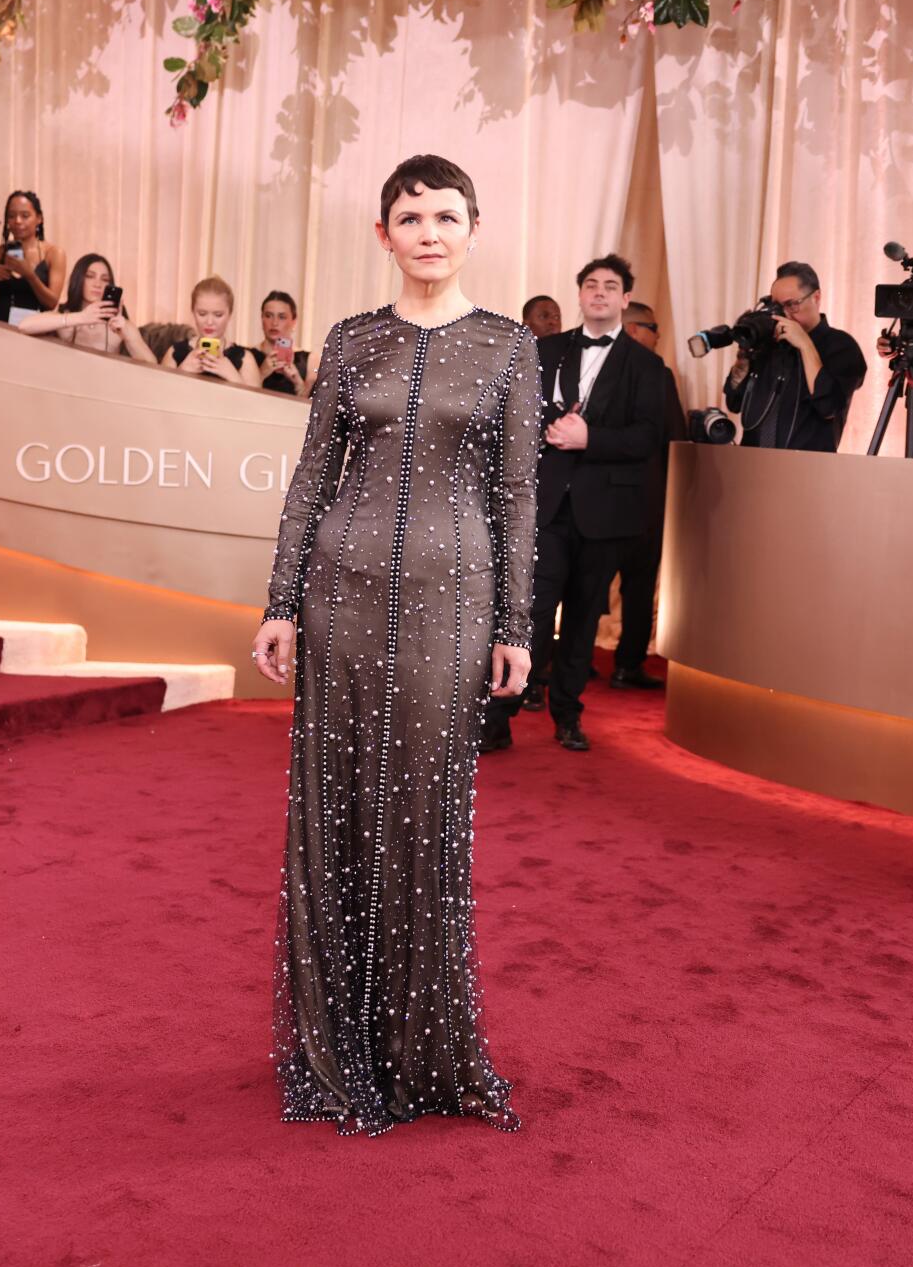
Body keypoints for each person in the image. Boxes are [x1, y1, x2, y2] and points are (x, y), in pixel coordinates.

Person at [247, 154, 539, 1137]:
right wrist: (280, 601)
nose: (426, 231)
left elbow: (515, 496)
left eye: (444, 215)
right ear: (382, 234)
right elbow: (311, 478)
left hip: (450, 606)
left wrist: (514, 624)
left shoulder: (506, 347)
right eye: (408, 216)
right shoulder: (350, 339)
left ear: (471, 228)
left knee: (423, 812)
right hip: (338, 593)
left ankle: (418, 1047)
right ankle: (338, 1039)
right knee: (337, 810)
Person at [484, 253, 666, 754]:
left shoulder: (647, 367)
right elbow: (512, 413)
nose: (600, 292)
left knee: (584, 620)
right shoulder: (543, 350)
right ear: (580, 293)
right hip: (543, 505)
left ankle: (567, 714)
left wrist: (591, 437)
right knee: (529, 613)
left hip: (605, 514)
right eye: (591, 284)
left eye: (611, 286)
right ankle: (498, 716)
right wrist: (545, 433)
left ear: (625, 299)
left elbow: (650, 437)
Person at [611, 300, 687, 689]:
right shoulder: (658, 373)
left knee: (586, 586)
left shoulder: (599, 371)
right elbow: (673, 436)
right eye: (654, 327)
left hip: (600, 497)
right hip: (645, 496)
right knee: (639, 586)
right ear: (636, 330)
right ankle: (627, 665)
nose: (659, 334)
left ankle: (547, 672)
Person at [721, 260, 868, 451]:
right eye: (776, 306)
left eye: (791, 304)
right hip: (753, 466)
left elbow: (829, 406)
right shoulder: (769, 345)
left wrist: (805, 345)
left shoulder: (841, 346)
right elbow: (734, 403)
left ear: (816, 297)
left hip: (807, 470)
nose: (784, 314)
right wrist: (743, 359)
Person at [13, 253, 157, 362]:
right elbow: (25, 326)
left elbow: (152, 365)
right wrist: (81, 318)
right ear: (79, 279)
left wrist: (126, 335)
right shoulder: (67, 315)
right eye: (90, 276)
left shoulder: (119, 323)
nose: (97, 284)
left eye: (104, 279)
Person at [161, 276, 262, 388]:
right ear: (193, 311)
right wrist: (182, 370)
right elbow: (160, 398)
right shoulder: (174, 352)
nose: (209, 322)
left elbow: (255, 404)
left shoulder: (245, 359)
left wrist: (233, 376)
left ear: (230, 314)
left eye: (218, 315)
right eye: (202, 314)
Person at [0, 190, 67, 322]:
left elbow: (52, 303)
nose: (17, 221)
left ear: (39, 218)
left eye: (25, 216)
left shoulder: (54, 253)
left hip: (37, 332)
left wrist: (30, 275)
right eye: (11, 216)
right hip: (0, 328)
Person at [248, 291, 312, 395]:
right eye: (268, 316)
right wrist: (260, 374)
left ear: (294, 320)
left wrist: (298, 383)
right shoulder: (247, 356)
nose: (274, 323)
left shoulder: (310, 360)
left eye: (282, 317)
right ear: (261, 318)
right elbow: (241, 400)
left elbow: (314, 407)